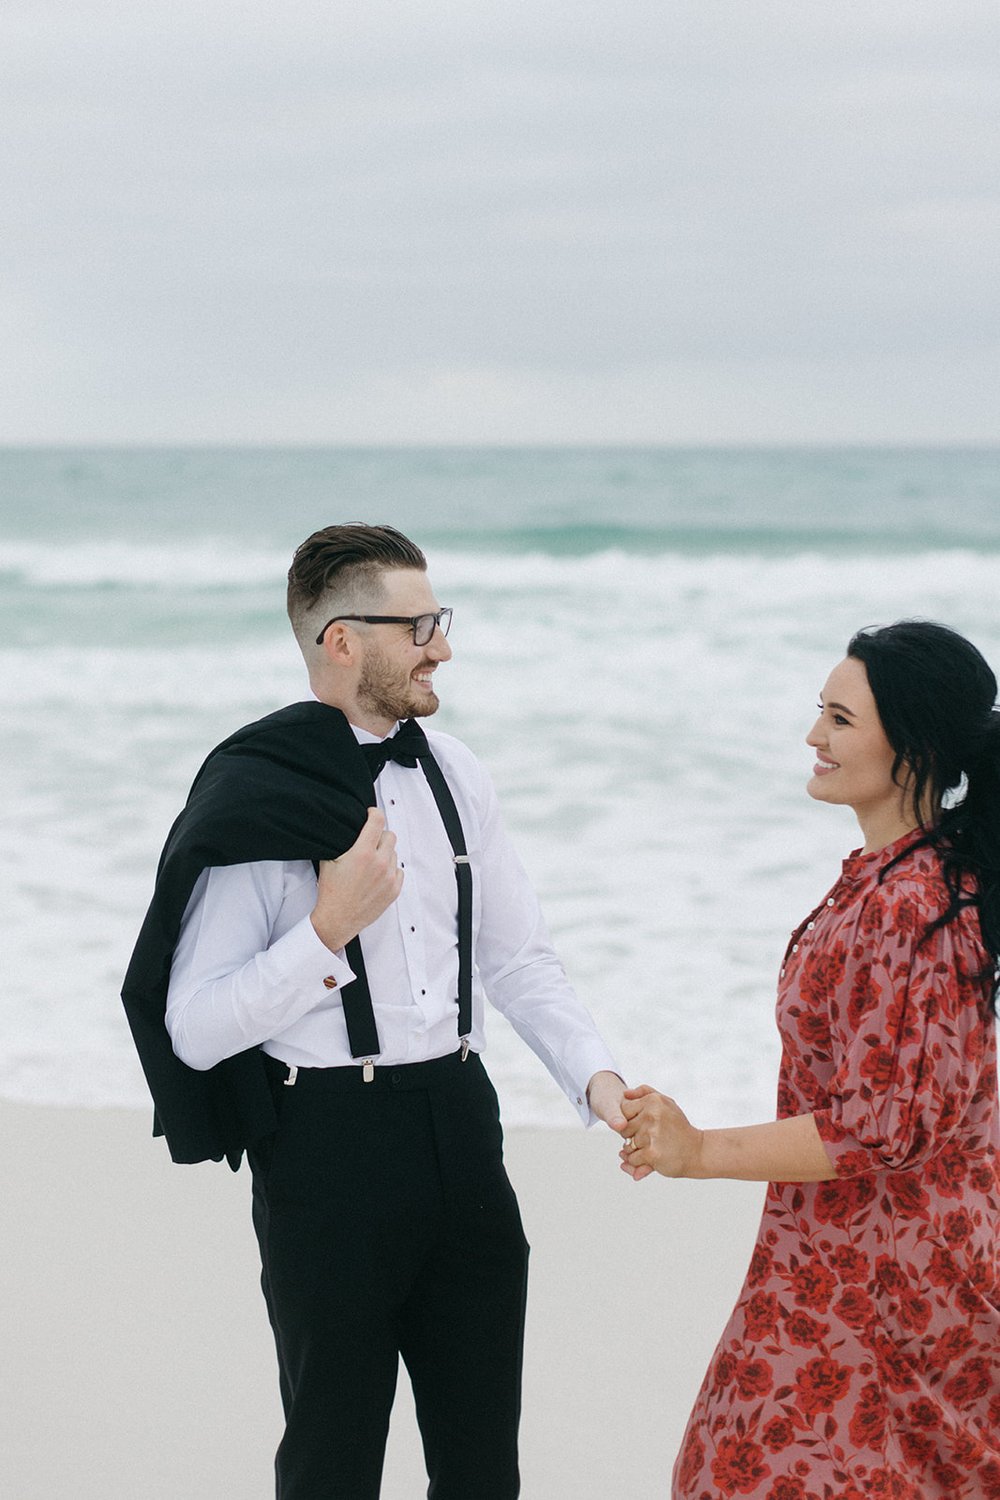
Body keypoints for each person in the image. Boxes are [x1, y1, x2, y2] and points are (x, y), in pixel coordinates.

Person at [122, 522, 627, 1499]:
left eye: (441, 618)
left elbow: (518, 958)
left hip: (462, 1130)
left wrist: (597, 1080)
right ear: (341, 640)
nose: (443, 644)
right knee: (333, 1459)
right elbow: (192, 1024)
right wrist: (323, 933)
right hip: (326, 1149)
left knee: (482, 1465)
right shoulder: (254, 796)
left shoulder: (456, 770)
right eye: (420, 625)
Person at [620, 620, 1000, 1499]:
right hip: (833, 1259)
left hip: (891, 1281)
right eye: (818, 712)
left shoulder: (915, 901)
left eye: (839, 718)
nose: (814, 737)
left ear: (914, 749)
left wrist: (700, 1149)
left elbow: (889, 1124)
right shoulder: (888, 880)